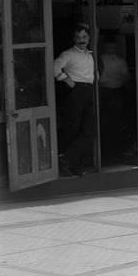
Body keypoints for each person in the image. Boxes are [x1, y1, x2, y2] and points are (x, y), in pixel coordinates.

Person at [53, 24, 96, 175]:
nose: (81, 40)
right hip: (76, 91)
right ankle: (71, 166)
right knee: (73, 128)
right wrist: (66, 79)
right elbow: (54, 67)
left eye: (84, 37)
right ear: (73, 39)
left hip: (89, 91)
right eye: (78, 37)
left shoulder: (90, 54)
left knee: (89, 130)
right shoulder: (68, 54)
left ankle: (66, 158)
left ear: (89, 38)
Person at [97, 37, 133, 159]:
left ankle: (115, 148)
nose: (110, 49)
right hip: (104, 91)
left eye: (112, 47)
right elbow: (100, 78)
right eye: (108, 46)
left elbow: (125, 76)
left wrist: (119, 78)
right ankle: (105, 149)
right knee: (104, 120)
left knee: (116, 119)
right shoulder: (100, 60)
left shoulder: (120, 60)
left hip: (117, 91)